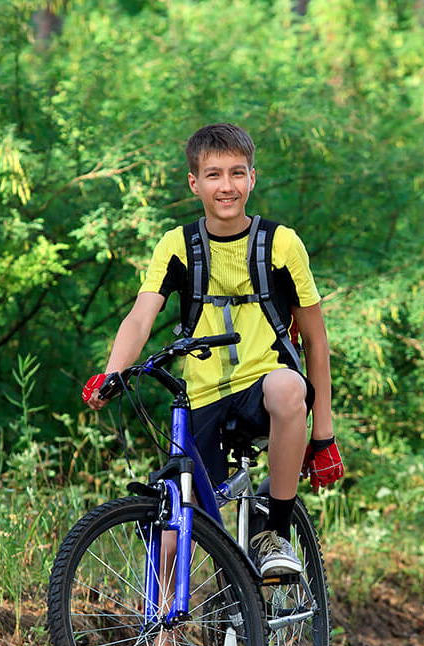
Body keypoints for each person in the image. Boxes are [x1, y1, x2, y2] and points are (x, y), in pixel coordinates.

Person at [83, 122, 343, 576]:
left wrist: (324, 434)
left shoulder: (281, 244)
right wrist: (112, 373)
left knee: (286, 387)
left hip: (262, 387)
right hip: (200, 397)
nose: (227, 186)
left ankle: (275, 533)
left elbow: (316, 340)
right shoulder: (177, 245)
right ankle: (162, 645)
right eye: (215, 175)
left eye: (238, 173)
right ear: (194, 183)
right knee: (169, 535)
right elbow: (141, 317)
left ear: (252, 178)